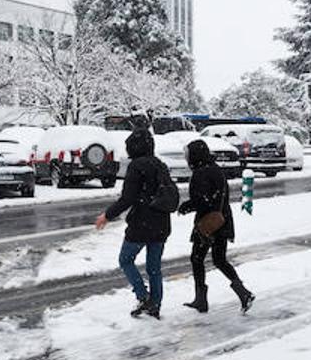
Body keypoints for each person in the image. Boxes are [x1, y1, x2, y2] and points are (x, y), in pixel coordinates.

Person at [95, 128, 171, 318]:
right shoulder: (160, 165)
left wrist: (107, 215)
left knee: (125, 259)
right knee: (154, 268)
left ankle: (143, 296)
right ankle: (155, 305)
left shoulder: (136, 166)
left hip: (141, 223)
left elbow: (127, 198)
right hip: (161, 222)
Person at [177, 139, 254, 313]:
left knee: (197, 259)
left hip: (208, 223)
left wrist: (186, 206)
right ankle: (242, 292)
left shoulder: (200, 173)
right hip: (222, 220)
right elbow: (216, 197)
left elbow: (202, 200)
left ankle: (201, 299)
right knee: (219, 259)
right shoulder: (215, 169)